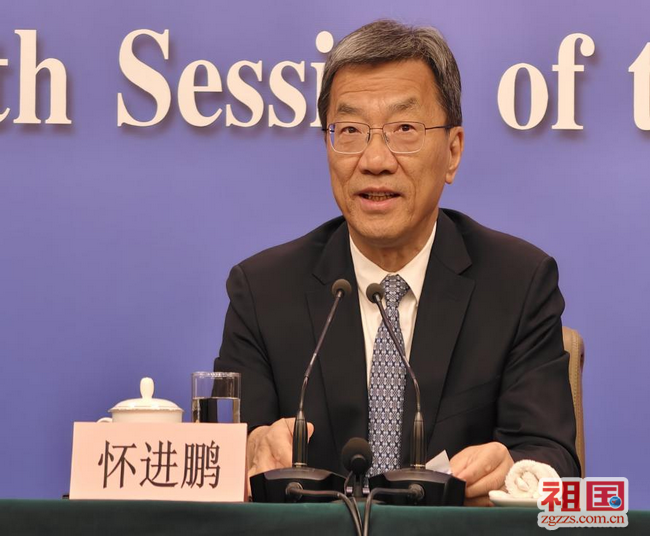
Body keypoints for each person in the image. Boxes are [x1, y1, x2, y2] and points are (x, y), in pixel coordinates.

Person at [216, 19, 580, 506]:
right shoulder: (263, 291)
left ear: (453, 152)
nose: (375, 159)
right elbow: (225, 459)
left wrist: (515, 471)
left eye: (404, 130)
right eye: (350, 131)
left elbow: (552, 457)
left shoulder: (517, 284)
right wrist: (249, 449)